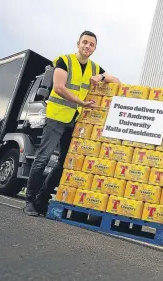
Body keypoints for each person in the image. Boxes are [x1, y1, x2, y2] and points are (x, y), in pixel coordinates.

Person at [23, 30, 121, 216]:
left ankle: (42, 199)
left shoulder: (94, 68)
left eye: (91, 44)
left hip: (75, 120)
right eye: (85, 42)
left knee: (65, 161)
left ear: (94, 48)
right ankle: (29, 200)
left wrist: (101, 77)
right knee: (43, 158)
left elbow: (116, 80)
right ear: (78, 43)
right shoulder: (64, 61)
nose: (87, 46)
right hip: (57, 116)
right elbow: (59, 87)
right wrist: (81, 102)